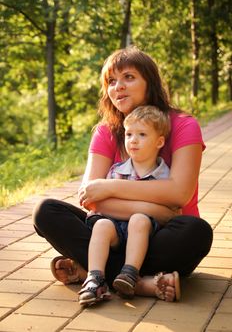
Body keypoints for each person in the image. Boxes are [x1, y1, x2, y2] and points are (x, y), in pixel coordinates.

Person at [33, 46, 213, 305]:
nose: (118, 86)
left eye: (128, 77)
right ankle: (138, 282)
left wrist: (110, 188)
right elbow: (90, 196)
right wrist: (160, 210)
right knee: (45, 211)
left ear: (149, 82)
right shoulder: (106, 132)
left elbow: (179, 193)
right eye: (111, 81)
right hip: (111, 235)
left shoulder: (184, 125)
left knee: (197, 231)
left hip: (162, 239)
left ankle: (95, 274)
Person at [78, 105, 180, 306]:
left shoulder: (165, 176)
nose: (133, 140)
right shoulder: (116, 171)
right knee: (101, 225)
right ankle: (94, 278)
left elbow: (171, 210)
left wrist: (127, 203)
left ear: (159, 142)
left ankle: (130, 274)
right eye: (129, 134)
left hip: (146, 235)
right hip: (115, 230)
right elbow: (98, 204)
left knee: (140, 219)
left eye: (142, 134)